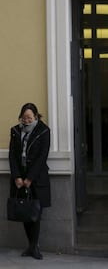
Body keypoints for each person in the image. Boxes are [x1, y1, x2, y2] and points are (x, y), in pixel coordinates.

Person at [8, 103, 51, 259]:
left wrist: (30, 178)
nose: (26, 120)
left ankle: (34, 247)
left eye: (30, 117)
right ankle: (31, 246)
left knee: (35, 213)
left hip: (37, 179)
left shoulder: (43, 131)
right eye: (24, 117)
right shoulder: (15, 131)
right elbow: (12, 155)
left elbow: (42, 156)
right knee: (24, 212)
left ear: (36, 116)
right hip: (20, 178)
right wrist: (17, 176)